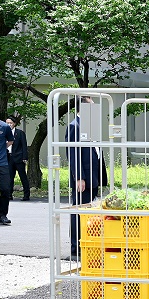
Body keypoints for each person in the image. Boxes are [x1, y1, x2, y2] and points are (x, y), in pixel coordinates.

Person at [66, 96, 107, 258]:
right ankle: (76, 248)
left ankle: (88, 244)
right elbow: (73, 153)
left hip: (93, 174)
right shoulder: (74, 126)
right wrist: (79, 177)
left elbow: (96, 150)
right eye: (91, 107)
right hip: (83, 176)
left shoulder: (90, 125)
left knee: (90, 210)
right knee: (79, 210)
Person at [6, 115, 30, 201]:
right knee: (9, 177)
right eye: (7, 123)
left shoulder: (20, 133)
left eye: (11, 123)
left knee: (23, 176)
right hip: (8, 157)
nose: (9, 124)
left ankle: (26, 195)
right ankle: (9, 195)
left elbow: (24, 146)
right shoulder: (4, 133)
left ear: (14, 124)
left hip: (19, 158)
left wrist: (25, 157)